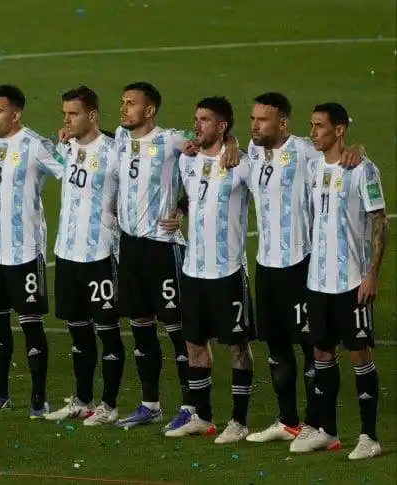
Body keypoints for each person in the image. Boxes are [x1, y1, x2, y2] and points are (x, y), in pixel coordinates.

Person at [244, 93, 363, 444]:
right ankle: (288, 421)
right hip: (266, 266)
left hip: (300, 265)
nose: (255, 125)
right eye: (253, 118)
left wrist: (357, 149)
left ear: (282, 123)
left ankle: (317, 424)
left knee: (313, 347)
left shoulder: (304, 150)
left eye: (262, 120)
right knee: (276, 346)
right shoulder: (252, 150)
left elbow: (338, 153)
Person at [290, 103, 386, 460]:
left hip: (351, 282)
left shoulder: (363, 169)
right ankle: (327, 432)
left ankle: (369, 437)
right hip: (318, 282)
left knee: (359, 355)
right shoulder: (314, 167)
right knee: (321, 353)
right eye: (311, 125)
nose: (313, 132)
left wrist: (371, 274)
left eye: (320, 126)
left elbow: (379, 222)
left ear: (340, 130)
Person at [0, 84, 64, 418]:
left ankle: (39, 399)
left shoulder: (36, 146)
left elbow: (70, 172)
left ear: (16, 114)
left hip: (24, 252)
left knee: (31, 324)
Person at [165, 97, 255, 443]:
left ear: (222, 126)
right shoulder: (187, 160)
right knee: (194, 342)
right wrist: (179, 210)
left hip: (228, 270)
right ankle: (202, 417)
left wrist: (234, 144)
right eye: (195, 118)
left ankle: (239, 421)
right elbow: (193, 198)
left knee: (237, 345)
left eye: (204, 120)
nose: (196, 125)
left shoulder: (239, 163)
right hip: (193, 270)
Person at [113, 82, 196, 430]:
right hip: (130, 247)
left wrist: (182, 208)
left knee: (178, 330)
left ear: (149, 110)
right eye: (122, 102)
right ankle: (150, 404)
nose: (123, 108)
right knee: (141, 328)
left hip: (163, 247)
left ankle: (191, 406)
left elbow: (212, 144)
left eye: (131, 103)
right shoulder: (120, 136)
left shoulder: (172, 140)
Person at [44, 86, 125, 426]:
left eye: (73, 114)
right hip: (66, 254)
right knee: (78, 332)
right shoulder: (66, 146)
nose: (66, 119)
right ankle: (82, 400)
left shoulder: (114, 151)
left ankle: (109, 405)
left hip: (100, 255)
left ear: (92, 115)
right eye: (64, 114)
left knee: (107, 331)